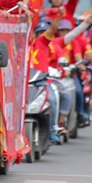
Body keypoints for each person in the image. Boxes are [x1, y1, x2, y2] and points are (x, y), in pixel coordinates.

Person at [29, 16, 63, 144]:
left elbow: (52, 30)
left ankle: (52, 130)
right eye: (38, 33)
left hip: (41, 82)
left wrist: (58, 16)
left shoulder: (41, 42)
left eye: (42, 33)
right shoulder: (20, 45)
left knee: (53, 100)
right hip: (24, 84)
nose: (41, 35)